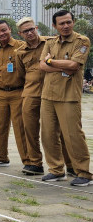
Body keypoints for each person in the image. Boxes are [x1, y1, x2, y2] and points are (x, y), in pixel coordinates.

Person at [39, 10, 92, 186]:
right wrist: (56, 65)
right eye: (61, 23)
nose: (66, 26)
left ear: (73, 22)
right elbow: (41, 66)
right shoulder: (50, 42)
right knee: (47, 135)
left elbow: (74, 65)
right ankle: (56, 170)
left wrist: (50, 62)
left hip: (69, 95)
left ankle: (84, 173)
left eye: (68, 22)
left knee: (73, 135)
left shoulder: (81, 41)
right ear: (55, 26)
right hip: (48, 95)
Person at [0, 20, 27, 167]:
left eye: (4, 30)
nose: (1, 34)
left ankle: (27, 160)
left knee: (20, 127)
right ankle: (1, 157)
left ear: (10, 29)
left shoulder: (21, 46)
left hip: (18, 92)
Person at [12, 18, 48, 175]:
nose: (30, 32)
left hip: (50, 92)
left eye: (32, 29)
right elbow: (21, 75)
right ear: (20, 34)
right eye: (26, 31)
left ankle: (67, 165)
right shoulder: (19, 52)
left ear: (37, 28)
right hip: (30, 93)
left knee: (54, 130)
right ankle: (35, 163)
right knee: (30, 129)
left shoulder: (50, 43)